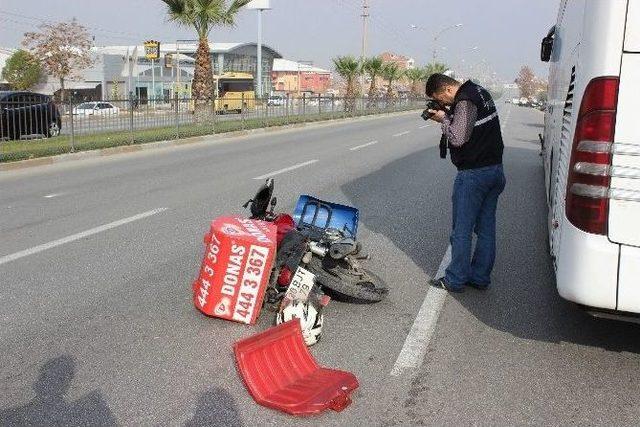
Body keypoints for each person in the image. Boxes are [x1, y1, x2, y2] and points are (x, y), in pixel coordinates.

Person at [425, 74, 506, 293]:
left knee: (461, 230)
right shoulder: (479, 91)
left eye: (440, 99)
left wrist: (443, 119)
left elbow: (458, 137)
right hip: (494, 171)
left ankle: (455, 279)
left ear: (447, 90)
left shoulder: (465, 100)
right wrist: (448, 114)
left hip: (474, 175)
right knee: (486, 229)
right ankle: (479, 277)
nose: (442, 103)